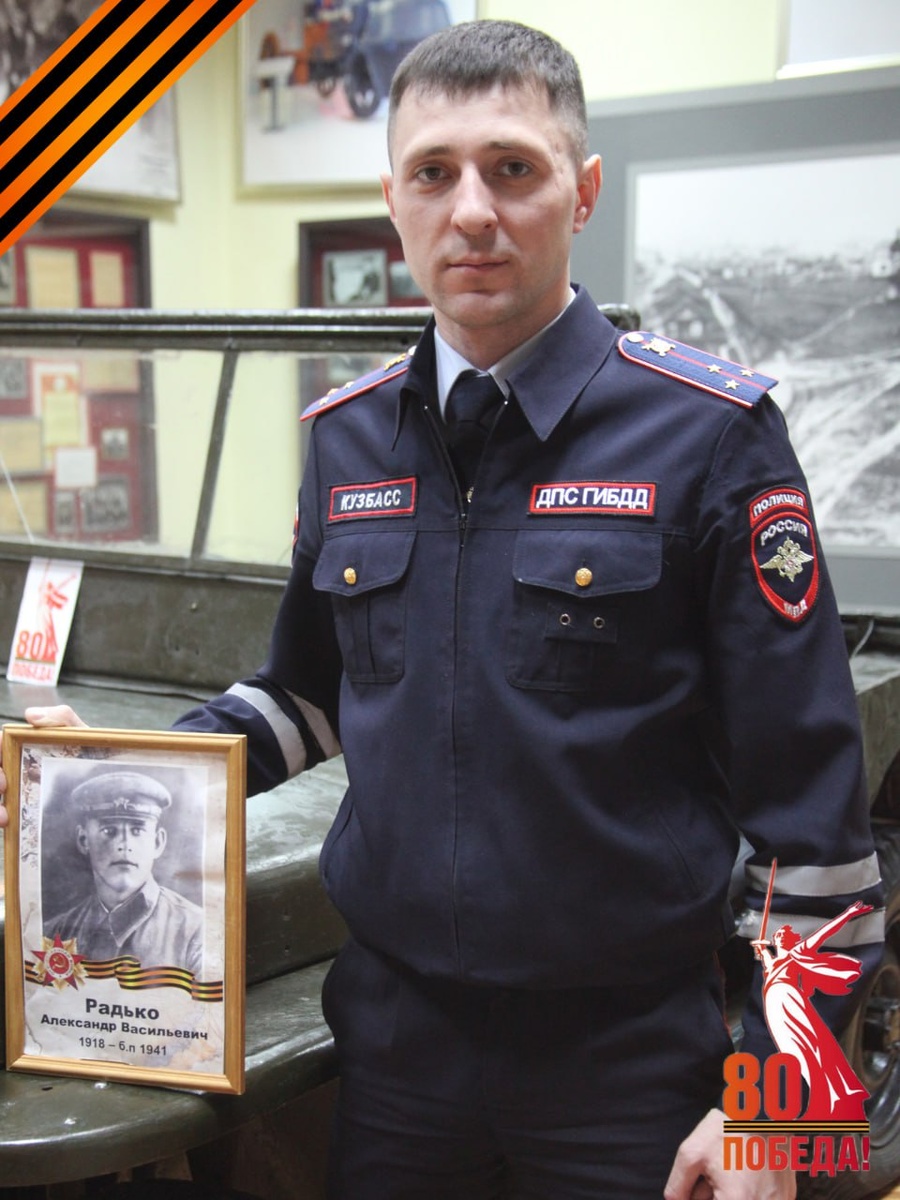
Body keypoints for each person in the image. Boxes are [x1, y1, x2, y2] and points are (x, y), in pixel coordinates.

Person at [0, 19, 884, 1199]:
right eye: (434, 172)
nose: (472, 210)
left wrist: (774, 1109)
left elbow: (816, 830)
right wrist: (108, 772)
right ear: (393, 202)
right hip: (398, 1049)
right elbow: (305, 695)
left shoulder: (712, 437)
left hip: (625, 1061)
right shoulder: (348, 437)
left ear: (582, 191)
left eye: (512, 168)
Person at [43, 768, 204, 979]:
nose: (124, 844)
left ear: (157, 842)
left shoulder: (196, 930)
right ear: (84, 840)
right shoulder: (55, 932)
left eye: (137, 830)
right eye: (109, 831)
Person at [752, 901, 874, 1123]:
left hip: (792, 1005)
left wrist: (848, 914)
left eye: (785, 935)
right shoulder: (774, 959)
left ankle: (824, 1105)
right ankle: (811, 1105)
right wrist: (761, 950)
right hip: (774, 1007)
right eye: (779, 934)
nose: (781, 936)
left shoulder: (799, 952)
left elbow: (826, 931)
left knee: (809, 1053)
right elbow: (767, 965)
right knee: (790, 1052)